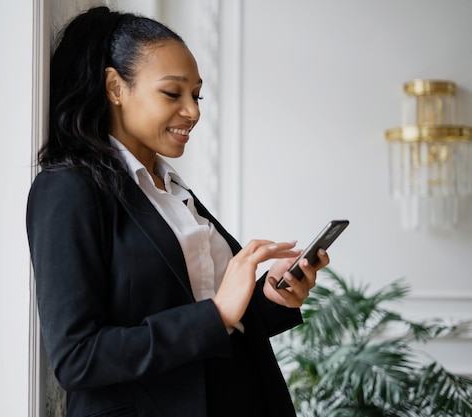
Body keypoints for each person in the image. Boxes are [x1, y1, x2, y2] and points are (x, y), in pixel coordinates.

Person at [26, 6, 329, 417]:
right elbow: (78, 357)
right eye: (173, 93)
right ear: (115, 87)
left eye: (197, 95)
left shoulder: (170, 189)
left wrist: (271, 298)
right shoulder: (68, 189)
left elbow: (211, 322)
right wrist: (218, 314)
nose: (194, 111)